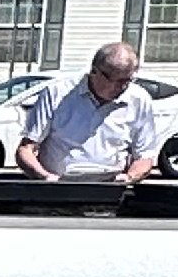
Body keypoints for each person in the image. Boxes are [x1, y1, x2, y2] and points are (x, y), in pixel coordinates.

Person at [17, 41, 166, 183]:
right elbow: (26, 149)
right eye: (117, 81)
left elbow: (145, 156)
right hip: (58, 187)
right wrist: (45, 178)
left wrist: (130, 177)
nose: (123, 87)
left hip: (111, 189)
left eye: (128, 80)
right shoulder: (58, 94)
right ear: (94, 72)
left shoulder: (138, 99)